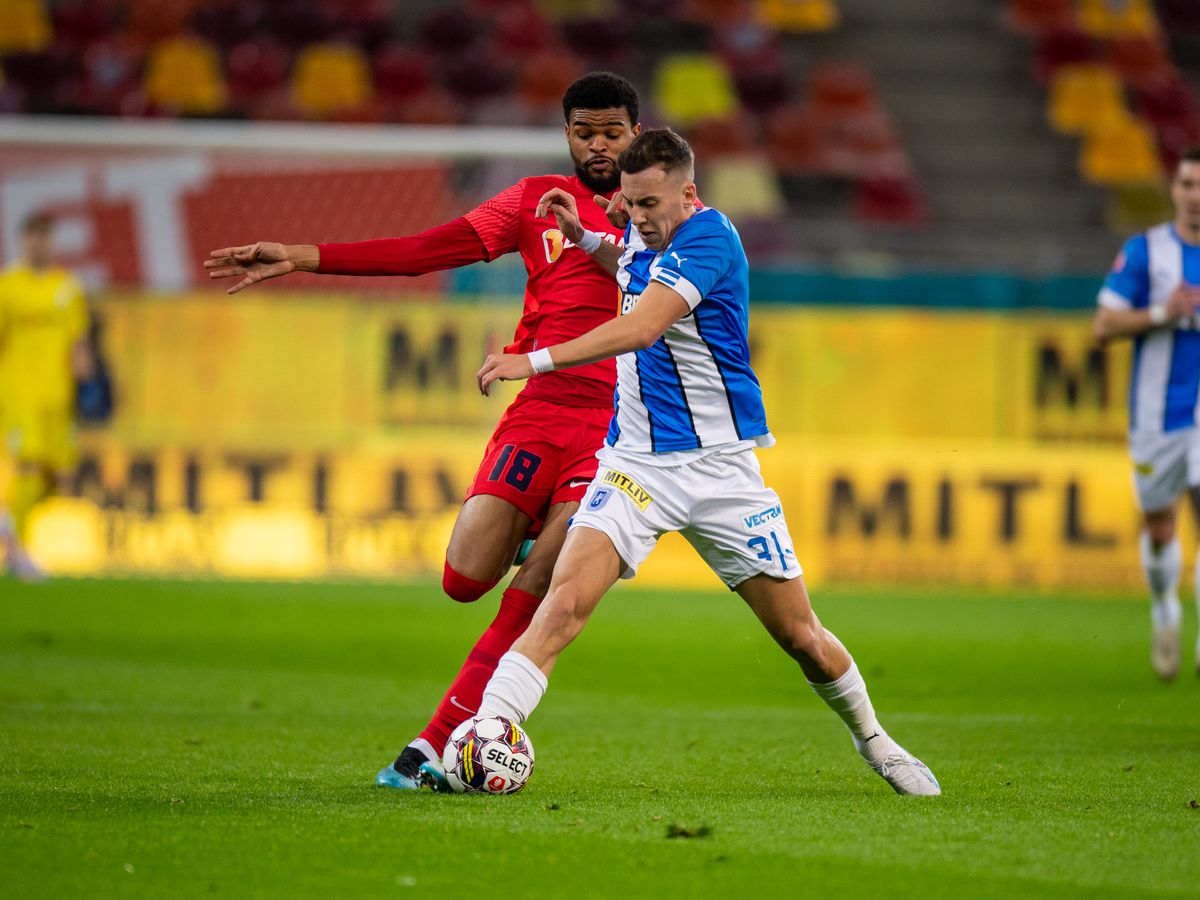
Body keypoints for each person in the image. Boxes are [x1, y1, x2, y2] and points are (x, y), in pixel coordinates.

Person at [471, 128, 940, 796]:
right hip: (634, 466)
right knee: (565, 602)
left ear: (688, 193)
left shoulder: (711, 240)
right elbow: (629, 264)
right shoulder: (645, 231)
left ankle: (877, 741)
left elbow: (640, 325)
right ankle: (487, 732)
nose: (636, 218)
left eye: (649, 205)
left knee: (801, 636)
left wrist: (533, 360)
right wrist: (585, 237)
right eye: (629, 205)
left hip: (722, 473)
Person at [205, 72, 642, 787]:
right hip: (536, 413)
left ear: (634, 133)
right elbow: (423, 250)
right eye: (584, 132)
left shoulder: (666, 212)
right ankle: (535, 527)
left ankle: (431, 747)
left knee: (538, 582)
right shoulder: (533, 201)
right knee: (463, 579)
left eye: (612, 132)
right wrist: (303, 255)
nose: (598, 146)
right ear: (567, 134)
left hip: (616, 428)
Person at [1093, 146, 1200, 682]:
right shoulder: (1147, 252)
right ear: (1175, 189)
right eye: (1187, 184)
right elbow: (1102, 327)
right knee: (1160, 527)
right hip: (1157, 416)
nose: (1195, 196)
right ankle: (1165, 607)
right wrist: (1165, 312)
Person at [0, 211, 93, 582]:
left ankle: (7, 521)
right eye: (33, 236)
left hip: (58, 396)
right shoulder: (7, 286)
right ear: (23, 241)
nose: (39, 243)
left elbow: (78, 341)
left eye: (45, 236)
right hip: (18, 391)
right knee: (26, 465)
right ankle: (18, 552)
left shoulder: (66, 287)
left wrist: (85, 379)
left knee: (58, 478)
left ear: (53, 242)